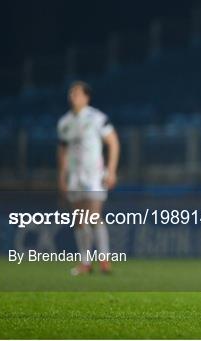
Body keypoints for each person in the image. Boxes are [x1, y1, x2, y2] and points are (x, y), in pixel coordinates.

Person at [57, 81, 120, 275]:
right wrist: (62, 175)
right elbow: (63, 151)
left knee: (93, 215)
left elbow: (113, 143)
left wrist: (111, 170)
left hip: (94, 175)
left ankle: (104, 260)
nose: (73, 97)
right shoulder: (64, 123)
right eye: (71, 93)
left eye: (76, 94)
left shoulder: (97, 118)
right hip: (76, 176)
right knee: (79, 219)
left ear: (86, 97)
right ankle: (85, 263)